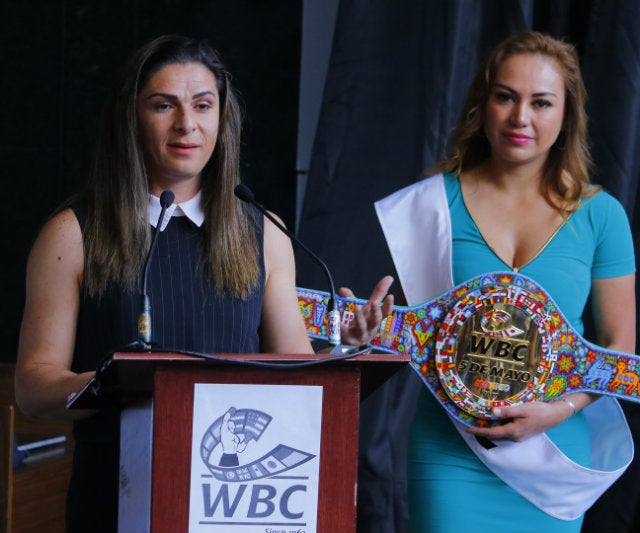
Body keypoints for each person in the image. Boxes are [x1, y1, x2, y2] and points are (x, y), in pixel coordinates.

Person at [14, 35, 391, 533]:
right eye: (163, 105)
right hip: (116, 497)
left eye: (202, 105)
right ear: (131, 118)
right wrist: (115, 383)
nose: (186, 124)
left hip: (237, 504)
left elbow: (295, 379)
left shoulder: (263, 231)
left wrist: (345, 351)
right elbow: (33, 386)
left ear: (222, 119)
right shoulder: (73, 232)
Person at [374, 30, 636, 532]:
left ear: (566, 116)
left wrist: (560, 410)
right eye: (506, 97)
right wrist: (370, 330)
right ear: (483, 104)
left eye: (541, 102)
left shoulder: (602, 216)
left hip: (554, 451)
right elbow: (411, 333)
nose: (521, 118)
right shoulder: (433, 206)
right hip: (452, 450)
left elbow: (618, 348)